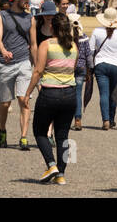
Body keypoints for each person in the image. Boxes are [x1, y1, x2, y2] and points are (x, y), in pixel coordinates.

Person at [25, 11, 79, 185]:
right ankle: (61, 175)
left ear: (52, 27)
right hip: (70, 94)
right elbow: (73, 69)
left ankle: (51, 164)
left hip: (50, 93)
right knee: (63, 135)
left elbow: (38, 71)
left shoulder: (46, 44)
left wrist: (27, 93)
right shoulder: (73, 47)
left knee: (39, 131)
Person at [0, 0, 35, 150]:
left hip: (24, 62)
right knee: (5, 103)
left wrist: (38, 64)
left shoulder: (30, 18)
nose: (27, 1)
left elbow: (33, 43)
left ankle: (23, 137)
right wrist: (3, 50)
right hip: (6, 63)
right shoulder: (1, 15)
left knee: (23, 100)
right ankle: (2, 129)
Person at [91, 6, 117, 130]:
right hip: (116, 65)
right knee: (114, 95)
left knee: (104, 93)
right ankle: (111, 119)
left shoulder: (96, 31)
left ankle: (105, 119)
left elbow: (91, 50)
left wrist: (91, 65)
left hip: (101, 64)